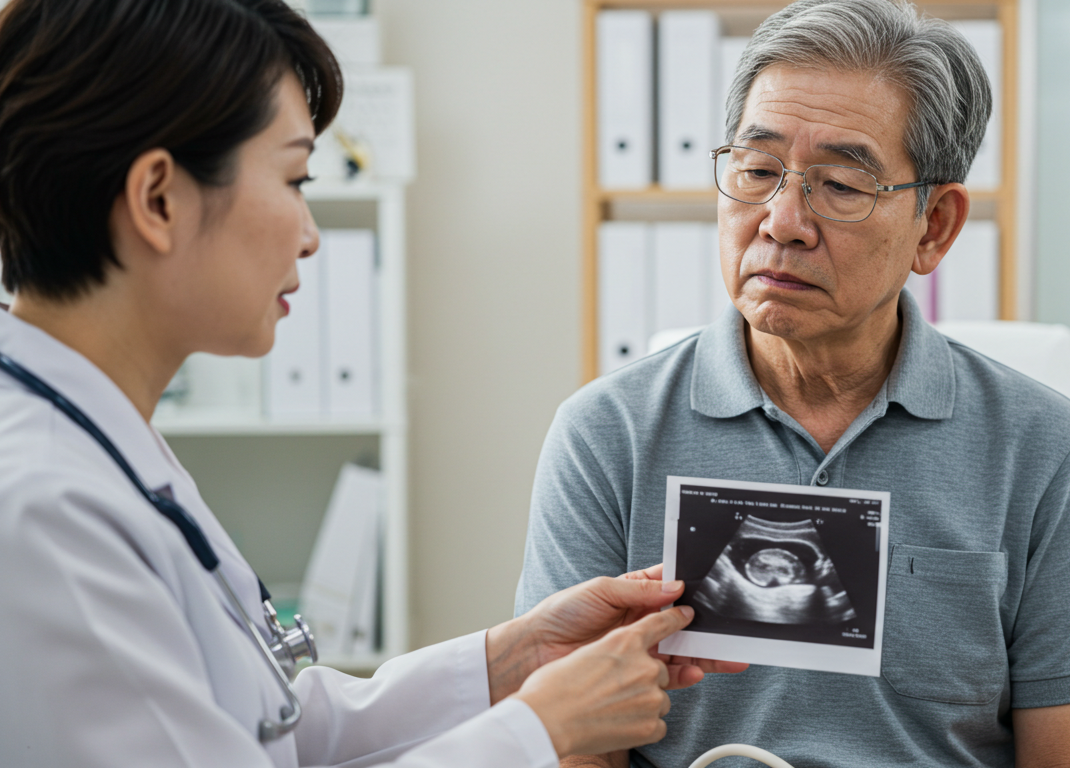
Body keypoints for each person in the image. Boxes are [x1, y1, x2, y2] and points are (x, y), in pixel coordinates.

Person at [0, 1, 742, 766]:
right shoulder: (45, 511)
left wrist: (515, 659)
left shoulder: (100, 441)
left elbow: (268, 723)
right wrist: (539, 729)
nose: (311, 234)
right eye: (292, 178)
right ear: (159, 199)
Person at [515, 1, 1070, 767]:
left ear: (935, 226)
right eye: (756, 171)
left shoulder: (1043, 447)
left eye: (841, 184)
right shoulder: (605, 435)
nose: (781, 221)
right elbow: (575, 745)